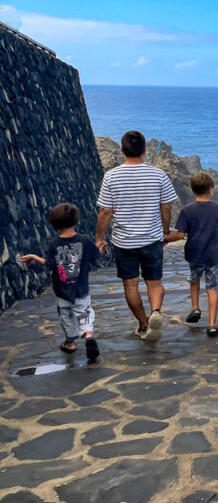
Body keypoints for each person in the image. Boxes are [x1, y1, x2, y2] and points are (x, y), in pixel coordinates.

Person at [95, 131, 177, 339]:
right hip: (151, 238)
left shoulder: (111, 176)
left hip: (124, 242)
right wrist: (165, 231)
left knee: (131, 285)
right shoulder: (158, 175)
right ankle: (155, 312)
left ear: (122, 150)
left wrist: (100, 237)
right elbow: (166, 207)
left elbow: (105, 211)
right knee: (154, 282)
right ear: (144, 150)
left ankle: (143, 324)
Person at [20, 203, 102, 361]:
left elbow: (50, 264)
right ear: (76, 220)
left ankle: (70, 343)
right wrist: (99, 248)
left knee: (66, 314)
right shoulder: (85, 240)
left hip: (62, 289)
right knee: (83, 313)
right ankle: (88, 335)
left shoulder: (54, 244)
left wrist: (34, 257)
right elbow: (95, 256)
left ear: (54, 224)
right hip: (81, 288)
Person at [163, 172, 218, 337]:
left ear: (192, 190)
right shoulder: (217, 208)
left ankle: (195, 307)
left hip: (195, 253)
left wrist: (165, 239)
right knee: (212, 288)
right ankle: (212, 324)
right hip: (215, 255)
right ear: (210, 190)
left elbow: (180, 235)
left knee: (194, 280)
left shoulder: (187, 210)